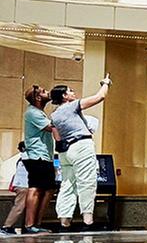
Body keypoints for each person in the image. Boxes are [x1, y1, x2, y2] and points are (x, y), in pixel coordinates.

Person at [49, 78, 109, 230]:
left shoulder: (54, 115)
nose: (73, 92)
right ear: (64, 96)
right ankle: (87, 221)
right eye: (69, 91)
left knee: (67, 185)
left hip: (65, 152)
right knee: (86, 183)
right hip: (82, 146)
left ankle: (64, 222)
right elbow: (99, 97)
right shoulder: (71, 106)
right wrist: (106, 83)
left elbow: (57, 137)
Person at [9, 87, 56, 234]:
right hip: (37, 156)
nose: (48, 92)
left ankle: (37, 223)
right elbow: (51, 127)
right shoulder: (33, 113)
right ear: (38, 98)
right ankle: (30, 225)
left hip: (44, 156)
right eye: (43, 91)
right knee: (36, 188)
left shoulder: (39, 112)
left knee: (49, 189)